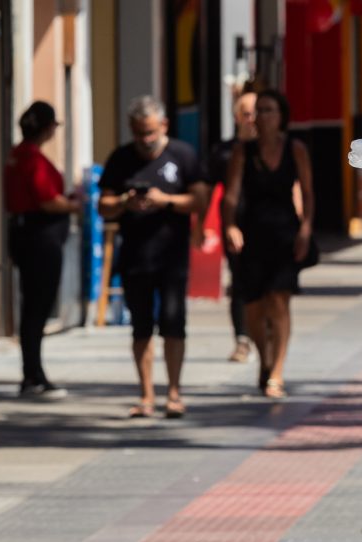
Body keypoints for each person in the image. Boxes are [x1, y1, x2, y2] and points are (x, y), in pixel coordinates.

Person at [99, 96, 208, 419]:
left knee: (174, 324)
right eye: (137, 133)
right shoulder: (120, 158)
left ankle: (174, 393)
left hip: (172, 255)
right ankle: (146, 395)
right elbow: (102, 205)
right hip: (135, 255)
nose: (144, 140)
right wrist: (123, 201)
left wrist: (166, 200)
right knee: (141, 328)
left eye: (149, 132)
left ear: (163, 125)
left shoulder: (183, 154)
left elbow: (200, 199)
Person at [222, 90, 315, 399]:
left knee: (279, 300)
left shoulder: (295, 148)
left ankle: (277, 372)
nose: (262, 116)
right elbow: (231, 193)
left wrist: (305, 228)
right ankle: (265, 359)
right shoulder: (242, 152)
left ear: (281, 116)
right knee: (253, 306)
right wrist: (230, 225)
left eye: (269, 110)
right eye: (259, 110)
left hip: (285, 232)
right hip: (252, 234)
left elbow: (308, 191)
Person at [4, 101, 81, 399]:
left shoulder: (16, 155)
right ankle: (32, 375)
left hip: (27, 235)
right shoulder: (31, 158)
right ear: (47, 128)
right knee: (37, 307)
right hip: (39, 238)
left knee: (32, 307)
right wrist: (77, 205)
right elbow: (49, 202)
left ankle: (32, 372)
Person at [207, 89, 258, 363]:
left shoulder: (275, 148)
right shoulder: (224, 152)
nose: (253, 119)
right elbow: (209, 189)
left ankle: (265, 337)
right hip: (236, 226)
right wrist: (204, 228)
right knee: (239, 283)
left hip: (269, 228)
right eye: (247, 114)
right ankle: (242, 339)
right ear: (237, 117)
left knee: (269, 288)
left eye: (257, 113)